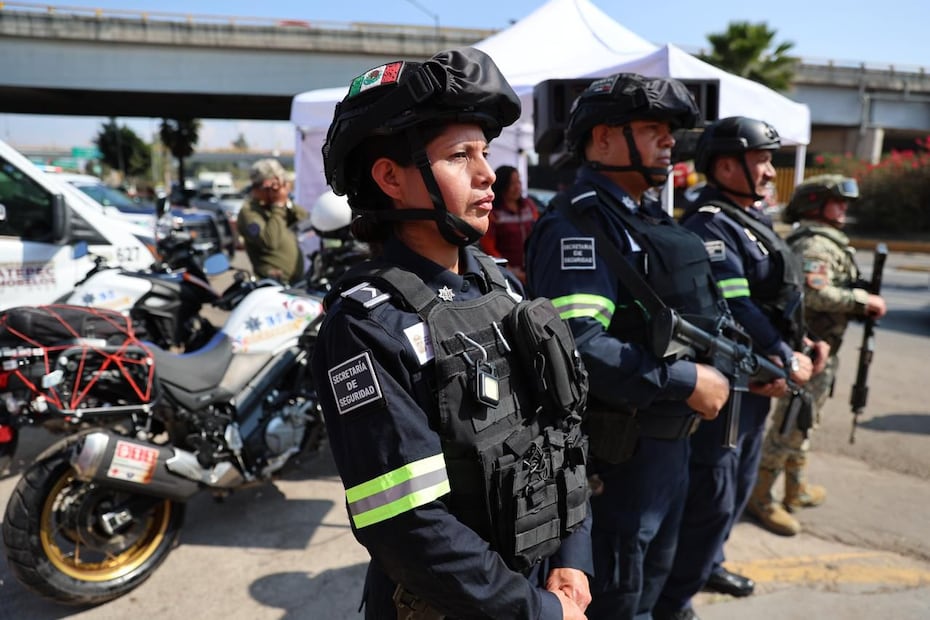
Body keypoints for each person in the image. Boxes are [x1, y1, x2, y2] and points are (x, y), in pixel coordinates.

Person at [310, 47, 593, 620]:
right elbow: (408, 527)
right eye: (460, 155)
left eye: (484, 152)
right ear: (390, 178)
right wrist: (538, 611)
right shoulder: (367, 326)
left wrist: (573, 557)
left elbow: (558, 432)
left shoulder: (500, 286)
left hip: (541, 581)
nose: (487, 173)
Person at [524, 73, 732, 620]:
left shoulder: (640, 215)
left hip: (668, 445)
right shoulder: (579, 225)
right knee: (621, 596)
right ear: (603, 139)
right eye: (652, 128)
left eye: (670, 130)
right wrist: (685, 380)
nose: (669, 140)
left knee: (652, 585)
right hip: (623, 457)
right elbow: (576, 346)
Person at [656, 117, 823, 620]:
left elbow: (776, 296)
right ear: (726, 166)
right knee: (712, 497)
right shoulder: (709, 224)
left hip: (760, 380)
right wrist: (784, 357)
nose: (771, 172)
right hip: (730, 386)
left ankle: (709, 565)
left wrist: (801, 344)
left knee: (739, 485)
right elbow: (736, 308)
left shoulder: (748, 217)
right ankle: (675, 601)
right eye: (762, 161)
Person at [749, 174, 887, 535]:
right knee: (789, 425)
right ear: (814, 204)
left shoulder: (826, 241)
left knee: (804, 423)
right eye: (836, 201)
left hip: (821, 350)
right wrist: (862, 300)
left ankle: (795, 487)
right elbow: (815, 294)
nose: (843, 209)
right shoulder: (814, 244)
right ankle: (761, 496)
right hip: (807, 353)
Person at [237, 158, 308, 284]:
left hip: (296, 282)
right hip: (273, 284)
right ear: (262, 186)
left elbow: (305, 220)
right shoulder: (249, 211)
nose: (278, 189)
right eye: (274, 185)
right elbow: (270, 241)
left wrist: (286, 201)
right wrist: (278, 204)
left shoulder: (274, 207)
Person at [479, 165, 539, 282]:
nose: (517, 187)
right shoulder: (493, 213)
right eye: (512, 183)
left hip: (532, 271)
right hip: (506, 275)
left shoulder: (529, 206)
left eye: (518, 182)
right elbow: (489, 247)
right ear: (502, 185)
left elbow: (539, 234)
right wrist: (510, 270)